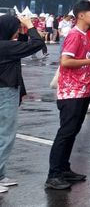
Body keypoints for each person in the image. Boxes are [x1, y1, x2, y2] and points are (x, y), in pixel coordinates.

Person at [47, 4, 90, 191]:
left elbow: (81, 60)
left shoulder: (85, 35)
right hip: (71, 92)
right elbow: (65, 61)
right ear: (81, 15)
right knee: (66, 132)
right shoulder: (74, 35)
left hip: (82, 90)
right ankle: (53, 174)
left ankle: (64, 168)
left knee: (73, 131)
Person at [0, 14, 45, 193]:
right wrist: (30, 25)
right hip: (5, 91)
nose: (18, 32)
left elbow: (24, 45)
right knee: (5, 135)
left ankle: (1, 174)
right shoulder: (7, 47)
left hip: (6, 90)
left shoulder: (5, 45)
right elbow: (37, 44)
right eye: (16, 28)